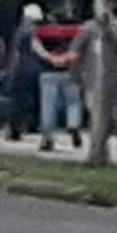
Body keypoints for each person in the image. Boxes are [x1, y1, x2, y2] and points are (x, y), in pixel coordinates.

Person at [72, 4, 117, 140]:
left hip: (93, 73)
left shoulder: (88, 28)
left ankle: (103, 127)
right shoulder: (116, 29)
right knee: (112, 101)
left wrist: (77, 69)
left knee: (95, 102)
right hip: (109, 73)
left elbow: (76, 50)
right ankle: (113, 125)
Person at [35, 11, 84, 152]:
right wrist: (66, 59)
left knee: (48, 105)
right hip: (70, 72)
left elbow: (37, 49)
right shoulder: (76, 32)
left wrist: (52, 59)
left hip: (48, 72)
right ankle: (73, 124)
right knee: (73, 102)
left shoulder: (41, 32)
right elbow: (79, 51)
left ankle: (48, 138)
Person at [6, 5, 45, 142]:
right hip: (38, 68)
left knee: (18, 100)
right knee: (35, 98)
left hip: (22, 67)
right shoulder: (41, 32)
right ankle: (32, 124)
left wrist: (10, 69)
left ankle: (15, 128)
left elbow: (16, 52)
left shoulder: (21, 31)